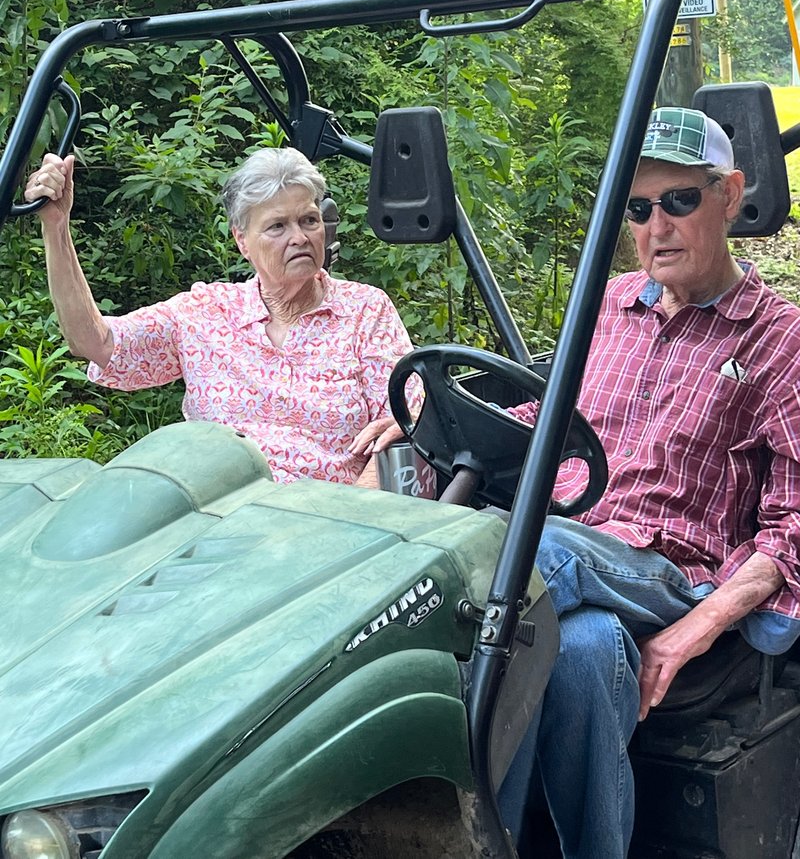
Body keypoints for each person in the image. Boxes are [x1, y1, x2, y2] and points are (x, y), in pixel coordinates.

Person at [499, 107, 800, 859]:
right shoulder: (607, 306)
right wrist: (424, 416)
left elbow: (792, 526)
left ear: (730, 195)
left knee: (515, 559)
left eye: (679, 201)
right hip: (581, 556)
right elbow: (549, 415)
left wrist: (700, 626)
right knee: (586, 648)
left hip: (672, 570)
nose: (656, 227)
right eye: (638, 209)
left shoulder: (779, 339)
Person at [25, 146, 409, 486]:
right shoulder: (205, 312)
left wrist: (355, 512)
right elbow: (96, 342)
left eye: (309, 220)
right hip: (213, 514)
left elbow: (407, 426)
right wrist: (56, 228)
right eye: (277, 226)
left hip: (324, 519)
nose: (300, 237)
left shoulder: (364, 311)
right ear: (242, 241)